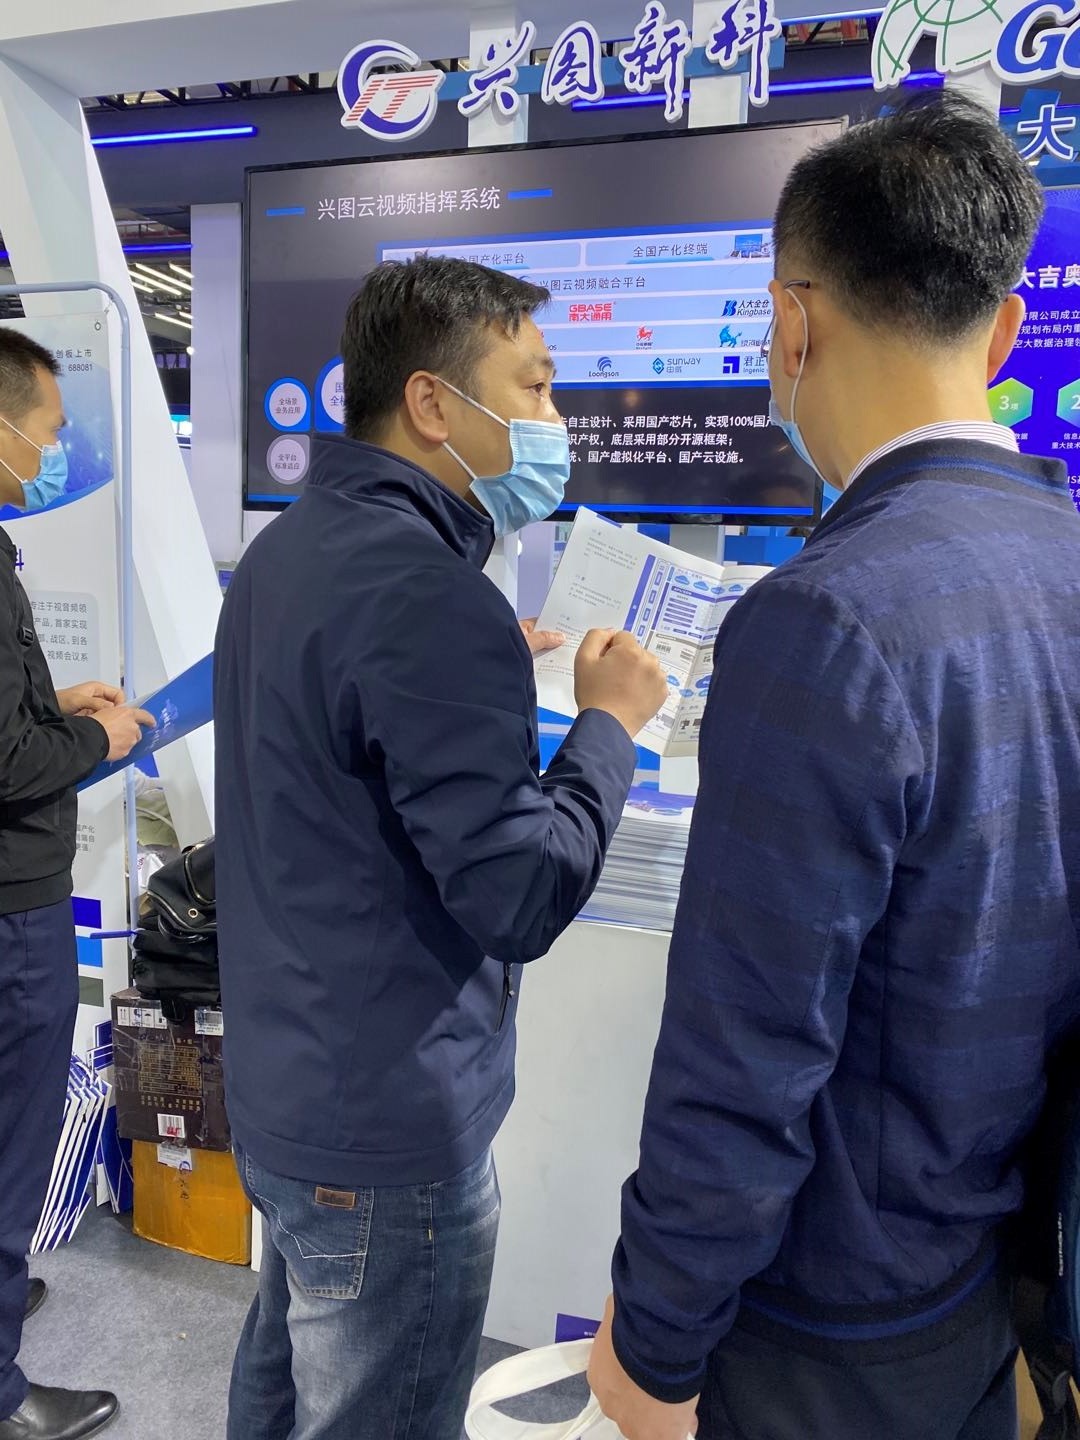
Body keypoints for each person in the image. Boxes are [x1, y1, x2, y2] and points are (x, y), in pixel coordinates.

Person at [588, 93, 1080, 1440]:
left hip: (830, 1328)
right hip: (995, 1279)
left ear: (790, 325)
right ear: (1005, 331)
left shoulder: (823, 619)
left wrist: (655, 1342)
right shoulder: (1062, 559)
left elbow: (744, 1053)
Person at [214, 255, 668, 1440]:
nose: (554, 420)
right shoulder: (426, 594)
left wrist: (481, 664)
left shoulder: (291, 550)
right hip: (387, 1125)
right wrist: (609, 728)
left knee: (289, 1375)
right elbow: (521, 893)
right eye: (535, 387)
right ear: (431, 402)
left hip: (292, 1081)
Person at [0, 328, 154, 1440]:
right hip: (14, 909)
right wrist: (101, 739)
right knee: (14, 1138)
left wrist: (55, 708)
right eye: (48, 432)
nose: (53, 452)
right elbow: (8, 766)